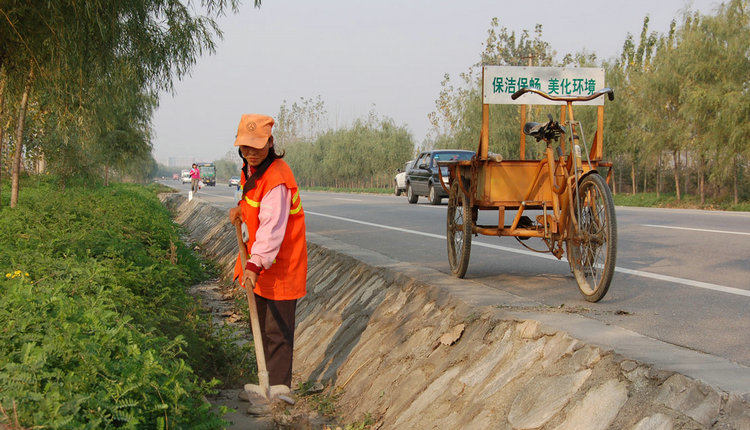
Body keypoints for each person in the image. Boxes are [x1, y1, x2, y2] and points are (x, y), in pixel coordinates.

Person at [228, 114, 307, 411]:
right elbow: (251, 203)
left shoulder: (277, 177)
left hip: (280, 264)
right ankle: (266, 386)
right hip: (261, 265)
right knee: (259, 325)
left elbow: (272, 228)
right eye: (246, 147)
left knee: (278, 331)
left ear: (270, 143)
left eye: (257, 147)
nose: (251, 152)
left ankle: (278, 393)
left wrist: (254, 265)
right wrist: (239, 209)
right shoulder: (250, 170)